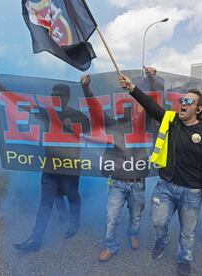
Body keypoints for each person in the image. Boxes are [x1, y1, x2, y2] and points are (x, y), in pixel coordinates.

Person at [119, 73, 202, 276]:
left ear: (198, 109)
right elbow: (151, 106)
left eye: (188, 102)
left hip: (192, 191)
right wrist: (132, 88)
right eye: (182, 101)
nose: (182, 104)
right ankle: (162, 241)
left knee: (188, 232)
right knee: (158, 222)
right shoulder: (171, 120)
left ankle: (184, 258)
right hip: (165, 186)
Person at [80, 71, 159, 262]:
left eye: (129, 108)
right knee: (112, 217)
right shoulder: (110, 124)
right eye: (121, 109)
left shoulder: (143, 124)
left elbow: (154, 105)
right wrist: (86, 88)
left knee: (136, 216)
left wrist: (151, 80)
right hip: (116, 182)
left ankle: (133, 234)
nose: (125, 111)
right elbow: (95, 109)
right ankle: (110, 246)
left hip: (137, 182)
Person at [13, 83, 89, 252]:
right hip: (50, 166)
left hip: (70, 165)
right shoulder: (47, 113)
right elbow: (25, 106)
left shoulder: (78, 116)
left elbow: (95, 130)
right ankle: (36, 239)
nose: (56, 98)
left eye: (59, 95)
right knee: (46, 201)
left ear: (67, 97)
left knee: (72, 195)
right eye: (53, 95)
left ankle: (74, 225)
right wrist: (2, 90)